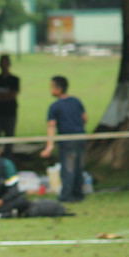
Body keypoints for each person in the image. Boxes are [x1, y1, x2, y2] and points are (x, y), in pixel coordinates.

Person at [41, 75, 87, 203]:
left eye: (52, 86)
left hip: (67, 140)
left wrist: (49, 145)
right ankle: (79, 193)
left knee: (68, 167)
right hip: (81, 137)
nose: (50, 89)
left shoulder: (55, 106)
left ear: (58, 88)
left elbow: (51, 126)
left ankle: (67, 195)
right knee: (79, 166)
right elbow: (84, 118)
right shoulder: (76, 101)